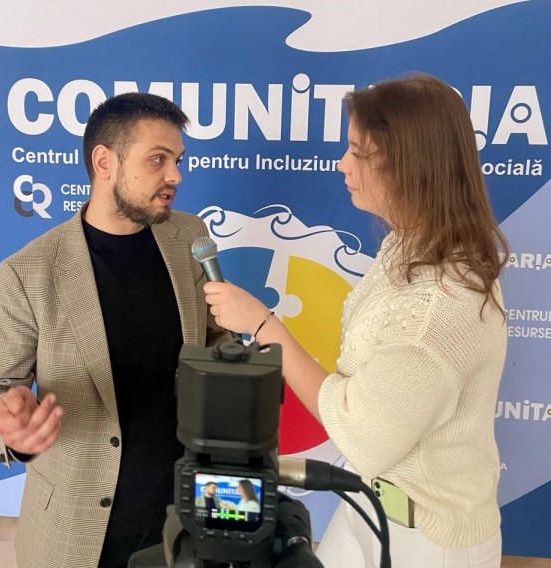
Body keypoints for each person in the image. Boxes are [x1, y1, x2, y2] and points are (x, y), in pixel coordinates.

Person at [203, 73, 508, 567]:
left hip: (428, 537)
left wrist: (264, 326)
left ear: (410, 165)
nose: (341, 164)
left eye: (358, 152)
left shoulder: (438, 308)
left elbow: (362, 434)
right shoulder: (407, 245)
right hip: (369, 503)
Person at [0, 92, 228, 568]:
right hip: (77, 529)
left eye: (178, 160)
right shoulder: (29, 271)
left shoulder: (190, 236)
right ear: (104, 162)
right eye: (158, 159)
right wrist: (9, 427)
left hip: (185, 511)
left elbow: (213, 337)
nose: (176, 176)